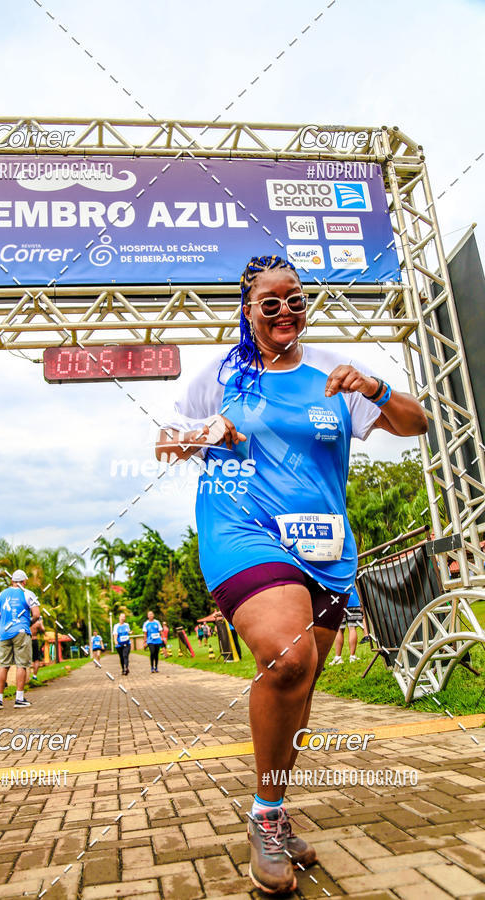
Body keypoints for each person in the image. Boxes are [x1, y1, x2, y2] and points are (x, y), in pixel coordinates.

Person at [155, 254, 428, 894]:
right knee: (287, 659)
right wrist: (208, 432)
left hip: (327, 551)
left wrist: (376, 389)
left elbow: (416, 426)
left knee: (298, 691)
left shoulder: (331, 379)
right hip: (243, 532)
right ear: (247, 312)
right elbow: (164, 438)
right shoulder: (220, 376)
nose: (284, 310)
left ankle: (270, 814)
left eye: (295, 299)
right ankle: (266, 820)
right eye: (269, 301)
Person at [0, 569, 40, 709]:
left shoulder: (2, 594)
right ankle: (19, 698)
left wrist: (5, 619)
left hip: (4, 633)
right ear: (24, 581)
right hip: (21, 631)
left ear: (12, 581)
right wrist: (27, 622)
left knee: (3, 665)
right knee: (21, 664)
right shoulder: (27, 593)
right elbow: (36, 614)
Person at [330, 586, 363, 664]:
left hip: (338, 600)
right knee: (352, 629)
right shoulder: (351, 573)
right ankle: (352, 656)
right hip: (353, 600)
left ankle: (338, 657)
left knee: (339, 630)